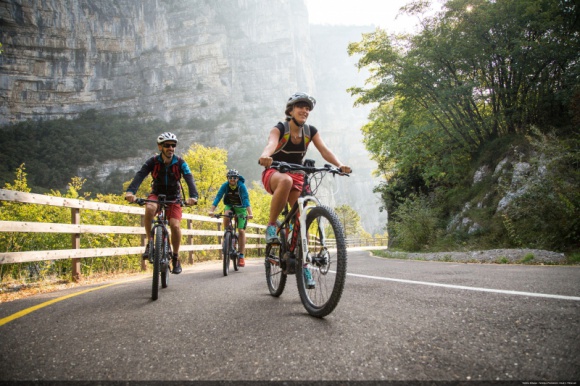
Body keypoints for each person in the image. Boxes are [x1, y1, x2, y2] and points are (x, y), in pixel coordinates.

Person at [258, 92, 352, 288]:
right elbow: (271, 144)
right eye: (301, 106)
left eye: (308, 108)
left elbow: (325, 150)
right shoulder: (281, 128)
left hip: (298, 175)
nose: (305, 110)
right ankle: (272, 226)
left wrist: (340, 165)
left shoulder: (310, 131)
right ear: (291, 110)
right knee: (285, 181)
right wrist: (266, 156)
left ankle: (305, 267)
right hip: (276, 173)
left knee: (302, 221)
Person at [125, 132, 199, 274]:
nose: (170, 148)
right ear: (160, 147)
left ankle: (176, 257)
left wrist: (193, 196)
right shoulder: (152, 162)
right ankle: (150, 242)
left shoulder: (180, 162)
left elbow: (189, 178)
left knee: (175, 225)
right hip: (157, 194)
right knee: (150, 208)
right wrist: (130, 192)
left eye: (173, 145)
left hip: (174, 197)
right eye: (167, 145)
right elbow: (140, 175)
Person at [208, 169, 254, 267]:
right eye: (230, 178)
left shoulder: (241, 186)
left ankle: (241, 256)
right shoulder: (225, 186)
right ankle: (227, 235)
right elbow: (218, 197)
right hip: (230, 205)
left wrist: (250, 213)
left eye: (234, 178)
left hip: (241, 208)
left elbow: (246, 199)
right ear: (227, 178)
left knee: (241, 230)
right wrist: (211, 210)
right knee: (227, 214)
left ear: (237, 178)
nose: (232, 179)